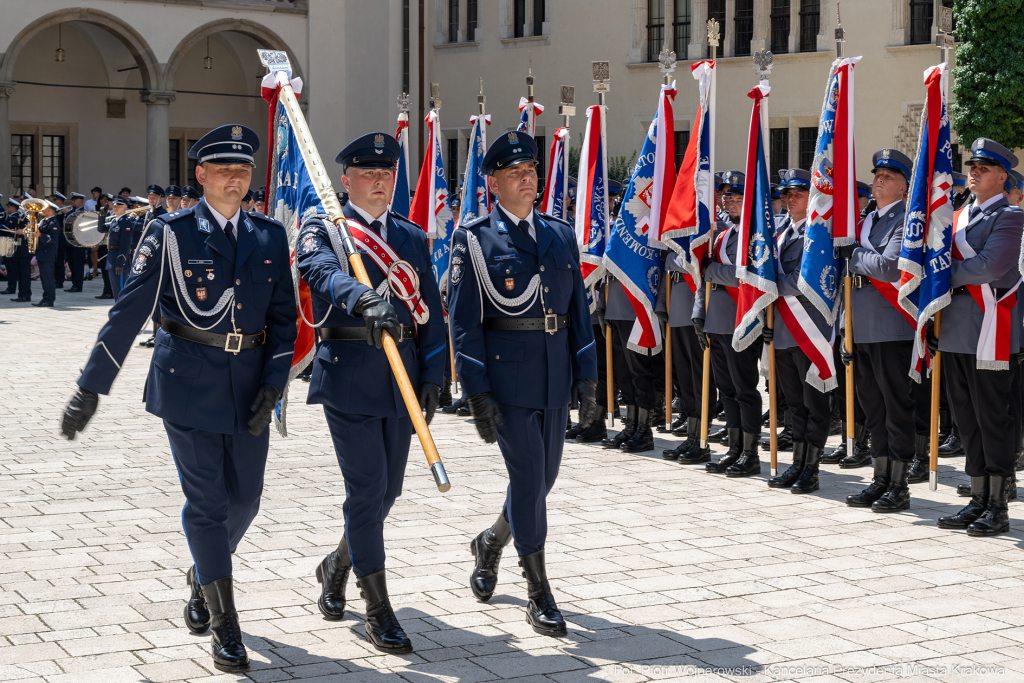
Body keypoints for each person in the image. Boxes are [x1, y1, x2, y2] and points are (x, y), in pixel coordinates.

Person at [59, 124, 297, 673]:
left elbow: (286, 321)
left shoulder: (268, 236)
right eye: (224, 170)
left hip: (251, 387)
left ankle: (202, 572)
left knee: (247, 501)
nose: (235, 179)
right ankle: (225, 620)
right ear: (201, 175)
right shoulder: (169, 233)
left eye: (243, 170)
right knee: (209, 504)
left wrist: (274, 383)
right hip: (188, 383)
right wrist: (90, 388)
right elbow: (128, 315)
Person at [294, 132, 445, 654]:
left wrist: (434, 376)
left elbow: (431, 314)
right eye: (368, 174)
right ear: (346, 179)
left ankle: (336, 565)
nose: (379, 182)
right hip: (351, 375)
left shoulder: (409, 236)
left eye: (386, 174)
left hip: (401, 377)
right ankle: (378, 607)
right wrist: (361, 298)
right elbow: (319, 272)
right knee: (366, 490)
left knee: (387, 493)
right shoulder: (327, 228)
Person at [449, 130, 598, 638]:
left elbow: (578, 310)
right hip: (507, 379)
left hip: (555, 374)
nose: (528, 179)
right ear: (493, 182)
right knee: (531, 481)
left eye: (531, 171)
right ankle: (539, 592)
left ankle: (491, 541)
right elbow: (464, 321)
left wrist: (589, 376)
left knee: (542, 480)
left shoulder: (559, 234)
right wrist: (477, 392)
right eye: (516, 173)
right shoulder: (475, 238)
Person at [935, 139, 1024, 536]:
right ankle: (977, 497)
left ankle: (998, 505)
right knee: (967, 421)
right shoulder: (954, 216)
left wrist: (940, 276)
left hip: (993, 329)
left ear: (1002, 177)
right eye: (972, 166)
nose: (974, 171)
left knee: (993, 418)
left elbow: (992, 266)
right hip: (955, 332)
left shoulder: (1011, 216)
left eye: (984, 168)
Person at [838, 149, 917, 513]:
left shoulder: (905, 220)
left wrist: (854, 254)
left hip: (890, 327)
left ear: (904, 187)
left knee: (894, 408)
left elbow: (888, 267)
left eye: (889, 174)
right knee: (872, 408)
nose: (879, 178)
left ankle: (899, 485)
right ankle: (880, 478)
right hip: (860, 326)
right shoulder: (865, 218)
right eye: (878, 173)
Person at [762, 169, 832, 493]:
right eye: (786, 195)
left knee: (814, 404)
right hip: (784, 331)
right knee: (793, 404)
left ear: (812, 198)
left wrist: (771, 286)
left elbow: (807, 280)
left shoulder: (818, 235)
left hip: (810, 332)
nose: (789, 200)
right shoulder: (779, 232)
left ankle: (812, 469)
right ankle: (797, 463)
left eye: (797, 194)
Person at [694, 171, 763, 477]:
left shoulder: (753, 234)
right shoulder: (722, 236)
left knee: (744, 387)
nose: (731, 203)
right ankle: (734, 448)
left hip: (741, 318)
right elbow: (706, 279)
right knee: (727, 389)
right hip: (718, 320)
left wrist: (711, 270)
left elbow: (741, 273)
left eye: (737, 198)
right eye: (727, 198)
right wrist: (700, 314)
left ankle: (750, 452)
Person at [98, 194, 137, 300]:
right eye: (114, 206)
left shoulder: (126, 223)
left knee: (120, 290)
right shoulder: (114, 221)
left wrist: (121, 262)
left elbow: (125, 244)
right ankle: (118, 313)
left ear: (125, 208)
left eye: (118, 206)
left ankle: (122, 314)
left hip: (119, 260)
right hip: (111, 258)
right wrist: (102, 217)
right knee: (115, 291)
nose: (115, 208)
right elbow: (101, 229)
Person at [31, 200, 61, 307]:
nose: (41, 210)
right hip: (42, 253)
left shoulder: (54, 223)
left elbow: (53, 239)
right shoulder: (44, 221)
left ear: (49, 210)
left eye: (44, 208)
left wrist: (40, 236)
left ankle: (49, 299)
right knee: (44, 278)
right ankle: (45, 298)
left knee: (48, 277)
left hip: (48, 254)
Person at [4, 199, 30, 300]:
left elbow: (30, 231)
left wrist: (20, 231)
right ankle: (21, 294)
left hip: (25, 247)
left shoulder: (30, 217)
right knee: (20, 272)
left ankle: (26, 294)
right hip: (19, 247)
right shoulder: (22, 216)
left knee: (24, 273)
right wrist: (15, 231)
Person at [63, 193, 87, 292]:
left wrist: (67, 213)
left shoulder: (84, 213)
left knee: (78, 264)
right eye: (72, 200)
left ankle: (78, 285)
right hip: (70, 242)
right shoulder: (71, 212)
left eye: (74, 200)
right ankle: (74, 283)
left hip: (79, 243)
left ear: (80, 201)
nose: (72, 202)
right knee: (72, 264)